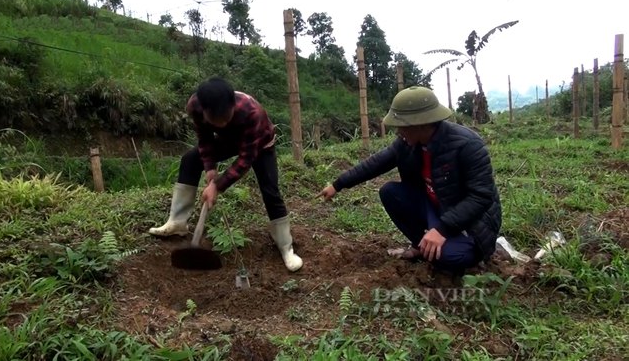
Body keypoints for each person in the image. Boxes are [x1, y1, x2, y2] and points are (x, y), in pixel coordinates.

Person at [316, 86, 502, 275]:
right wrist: (337, 185)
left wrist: (442, 229)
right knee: (390, 192)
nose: (398, 131)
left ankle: (464, 255)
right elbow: (375, 163)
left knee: (446, 257)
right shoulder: (408, 143)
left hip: (470, 222)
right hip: (435, 207)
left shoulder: (467, 145)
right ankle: (421, 244)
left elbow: (481, 197)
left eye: (401, 125)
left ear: (419, 124)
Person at [149, 77, 303, 272]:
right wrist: (210, 166)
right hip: (229, 140)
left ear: (233, 105)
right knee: (190, 159)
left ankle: (285, 246)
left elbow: (245, 160)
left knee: (270, 190)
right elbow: (204, 138)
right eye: (216, 120)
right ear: (204, 111)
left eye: (227, 118)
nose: (222, 123)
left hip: (260, 143)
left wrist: (217, 186)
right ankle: (177, 222)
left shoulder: (251, 113)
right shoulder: (196, 106)